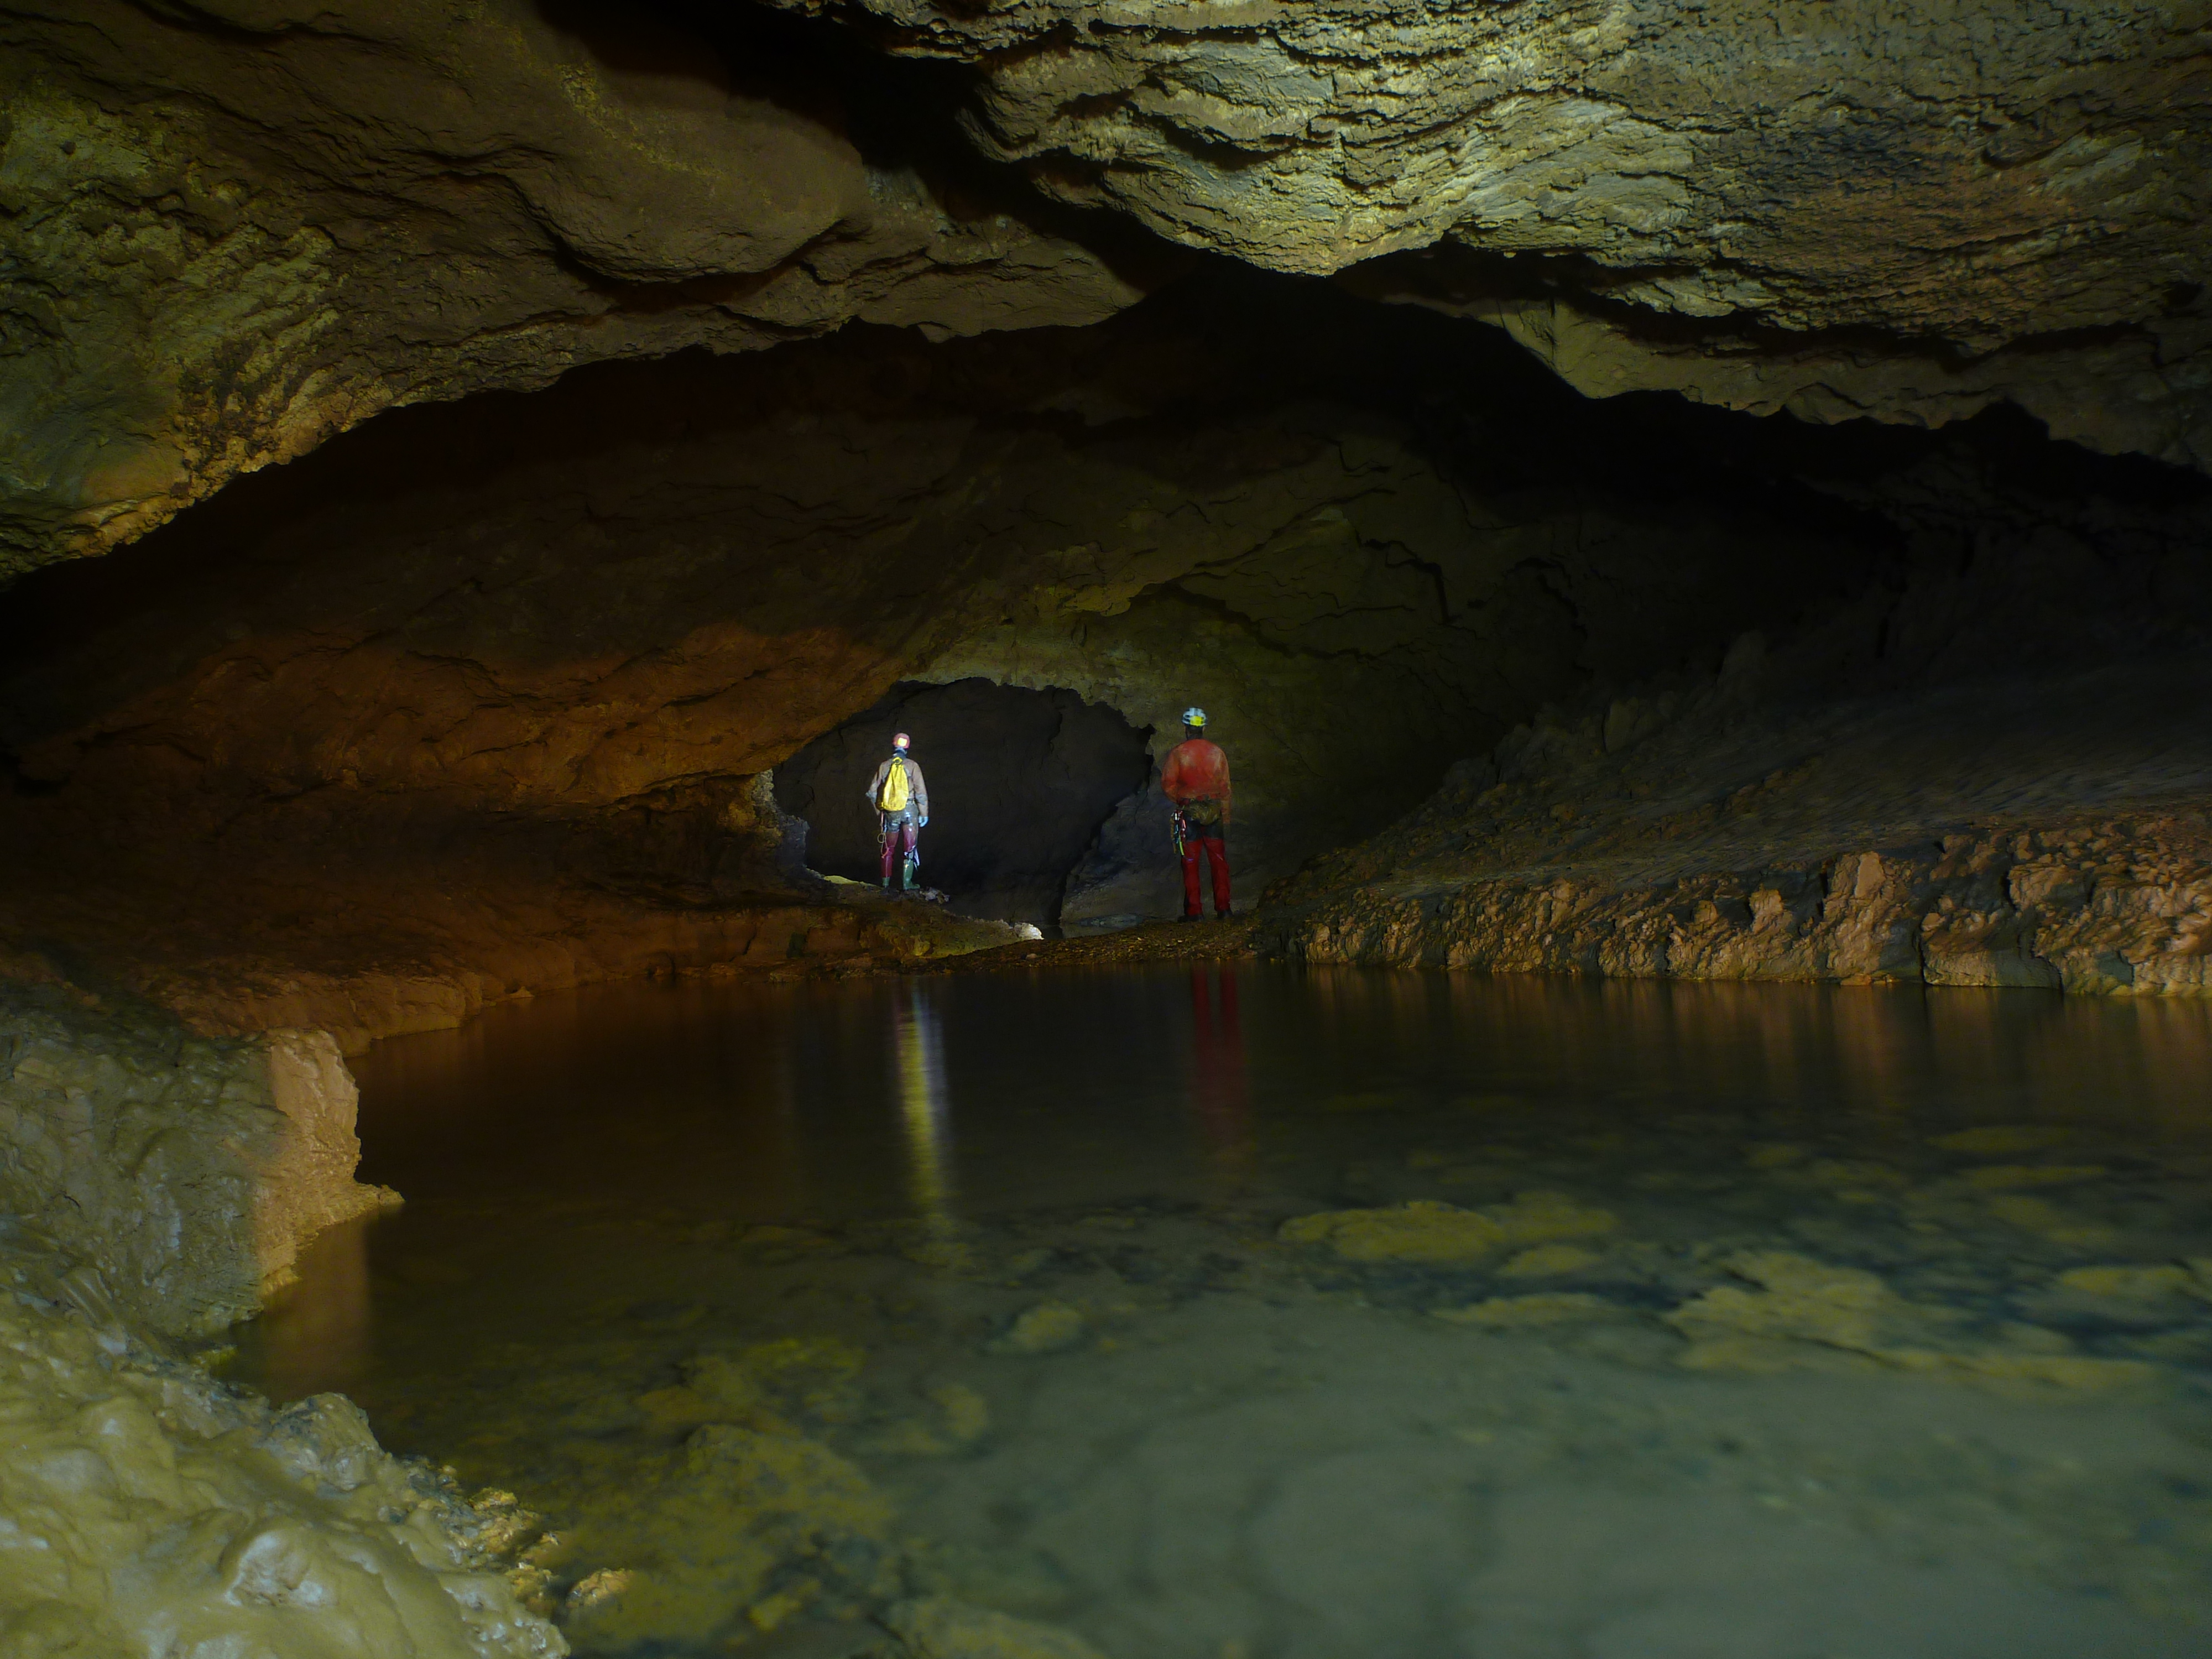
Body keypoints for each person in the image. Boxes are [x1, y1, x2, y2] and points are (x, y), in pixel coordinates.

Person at [1162, 706, 1232, 921]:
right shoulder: (1216, 752)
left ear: (1186, 727)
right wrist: (1225, 814)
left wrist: (1183, 801)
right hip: (1213, 811)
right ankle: (1224, 909)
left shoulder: (1179, 753)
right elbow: (1225, 787)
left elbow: (1168, 784)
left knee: (1190, 861)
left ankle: (1195, 912)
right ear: (1203, 727)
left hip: (1190, 811)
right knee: (1219, 860)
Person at [864, 732, 929, 891]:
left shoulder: (885, 766)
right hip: (909, 811)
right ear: (907, 748)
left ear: (893, 746)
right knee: (909, 850)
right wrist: (924, 813)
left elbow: (872, 792)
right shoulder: (912, 766)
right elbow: (921, 793)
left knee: (888, 849)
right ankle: (907, 884)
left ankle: (885, 884)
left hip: (891, 812)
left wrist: (880, 812)